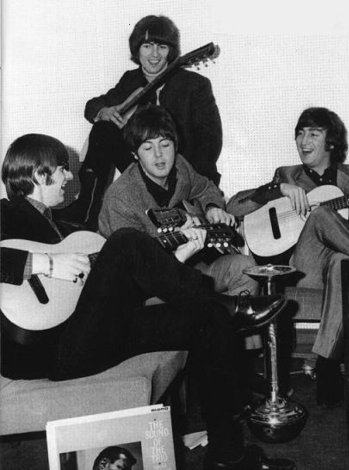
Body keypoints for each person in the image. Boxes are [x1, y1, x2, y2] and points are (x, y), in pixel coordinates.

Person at [1, 133, 294, 470]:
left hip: (83, 333)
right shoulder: (6, 214)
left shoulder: (66, 229)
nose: (69, 177)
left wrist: (181, 253)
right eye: (63, 169)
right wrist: (46, 264)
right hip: (42, 353)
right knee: (126, 241)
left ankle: (228, 456)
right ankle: (229, 309)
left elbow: (122, 290)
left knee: (207, 319)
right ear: (40, 174)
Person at [227, 107, 349, 407]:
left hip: (345, 266)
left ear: (331, 142)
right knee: (322, 215)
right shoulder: (287, 175)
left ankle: (327, 363)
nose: (304, 140)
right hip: (303, 266)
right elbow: (235, 207)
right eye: (300, 133)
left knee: (342, 262)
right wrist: (278, 189)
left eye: (314, 133)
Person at [60, 14, 222, 230]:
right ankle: (85, 211)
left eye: (162, 47)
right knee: (103, 130)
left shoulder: (194, 85)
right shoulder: (130, 80)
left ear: (171, 51)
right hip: (141, 168)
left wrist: (182, 179)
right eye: (147, 46)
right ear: (137, 49)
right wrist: (104, 111)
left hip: (180, 172)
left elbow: (209, 143)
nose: (154, 55)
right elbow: (92, 106)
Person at [99, 104, 258, 302]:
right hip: (145, 288)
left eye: (165, 145)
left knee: (246, 269)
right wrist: (178, 245)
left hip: (192, 268)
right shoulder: (120, 198)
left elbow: (205, 188)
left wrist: (212, 208)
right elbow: (136, 269)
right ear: (135, 154)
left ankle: (230, 330)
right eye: (148, 148)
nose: (159, 155)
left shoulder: (180, 167)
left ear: (175, 145)